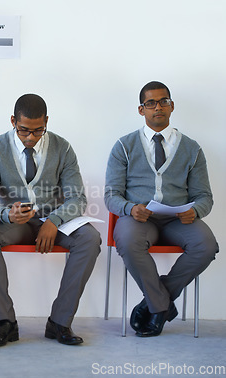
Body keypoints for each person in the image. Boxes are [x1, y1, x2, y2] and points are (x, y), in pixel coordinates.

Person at [0, 93, 101, 347]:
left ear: (46, 122)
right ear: (13, 121)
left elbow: (77, 198)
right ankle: (5, 323)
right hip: (15, 222)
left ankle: (59, 322)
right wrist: (6, 214)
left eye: (38, 131)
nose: (31, 138)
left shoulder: (63, 148)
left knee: (89, 238)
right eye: (23, 131)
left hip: (54, 221)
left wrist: (53, 221)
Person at [104, 81, 219, 337]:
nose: (158, 107)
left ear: (172, 106)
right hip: (139, 219)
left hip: (178, 219)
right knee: (128, 239)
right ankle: (161, 308)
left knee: (206, 246)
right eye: (151, 103)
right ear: (141, 110)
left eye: (164, 101)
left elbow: (205, 196)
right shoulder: (124, 146)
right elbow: (111, 195)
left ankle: (155, 303)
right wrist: (131, 208)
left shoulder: (192, 149)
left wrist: (196, 210)